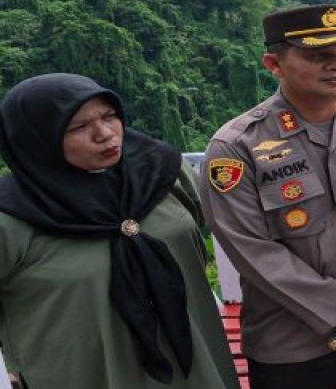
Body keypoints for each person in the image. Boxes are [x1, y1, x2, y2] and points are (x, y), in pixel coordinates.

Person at [199, 4, 336, 389]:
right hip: (291, 338)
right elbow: (251, 248)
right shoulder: (238, 145)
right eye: (318, 55)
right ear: (274, 63)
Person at [0, 73, 238, 388]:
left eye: (110, 116)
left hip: (196, 368)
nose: (104, 134)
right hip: (86, 373)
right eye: (78, 127)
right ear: (36, 138)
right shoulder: (13, 216)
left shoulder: (163, 174)